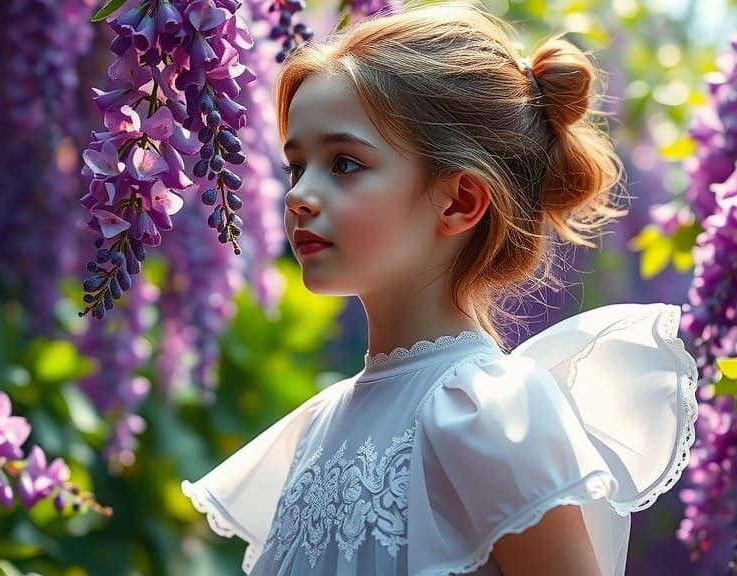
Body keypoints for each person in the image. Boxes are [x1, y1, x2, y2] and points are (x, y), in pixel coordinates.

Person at [181, 0, 700, 574]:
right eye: (296, 166)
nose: (299, 195)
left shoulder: (486, 408)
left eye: (345, 163)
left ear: (459, 201)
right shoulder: (317, 424)